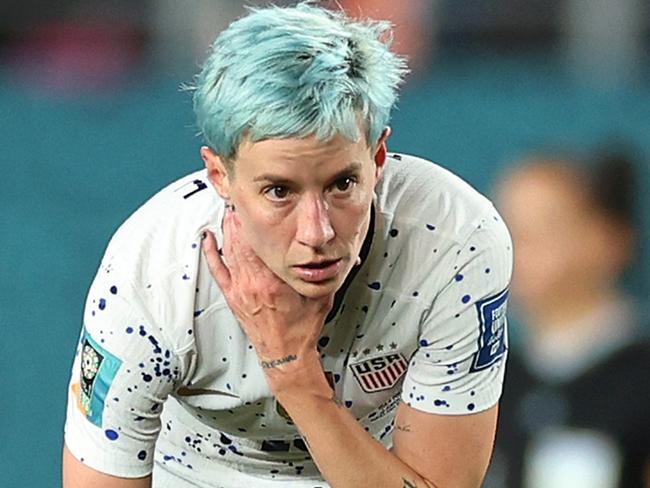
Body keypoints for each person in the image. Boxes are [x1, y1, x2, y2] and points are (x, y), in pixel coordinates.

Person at [62, 4, 513, 487]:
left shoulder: (454, 245)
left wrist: (295, 374)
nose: (317, 233)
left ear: (378, 158)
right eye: (279, 191)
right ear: (221, 176)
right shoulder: (152, 274)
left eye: (342, 184)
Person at [488, 150, 650, 488]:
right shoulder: (495, 378)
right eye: (506, 228)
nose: (515, 249)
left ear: (607, 239)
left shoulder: (637, 378)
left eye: (538, 231)